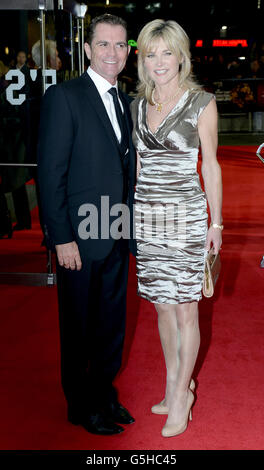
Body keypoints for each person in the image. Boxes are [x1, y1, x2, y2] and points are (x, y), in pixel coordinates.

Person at [37, 14, 136, 435]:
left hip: (114, 230)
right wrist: (61, 238)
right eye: (104, 45)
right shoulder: (65, 96)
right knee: (78, 326)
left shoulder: (123, 100)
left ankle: (103, 393)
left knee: (111, 322)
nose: (112, 53)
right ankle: (80, 405)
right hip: (78, 236)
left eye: (120, 46)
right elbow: (49, 173)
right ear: (88, 49)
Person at [131, 19, 222, 437]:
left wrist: (215, 224)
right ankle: (175, 383)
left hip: (185, 218)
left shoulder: (202, 101)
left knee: (186, 309)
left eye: (167, 52)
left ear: (182, 56)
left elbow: (212, 166)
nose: (159, 61)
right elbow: (138, 166)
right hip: (149, 219)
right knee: (162, 308)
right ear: (142, 60)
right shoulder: (137, 105)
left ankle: (181, 393)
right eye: (151, 53)